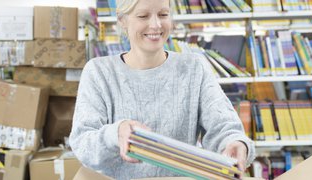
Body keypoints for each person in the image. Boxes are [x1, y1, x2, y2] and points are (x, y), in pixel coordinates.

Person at [69, 0, 255, 179]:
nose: (156, 25)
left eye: (163, 14)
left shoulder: (194, 67)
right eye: (143, 16)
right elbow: (83, 144)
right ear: (122, 20)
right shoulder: (98, 72)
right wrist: (116, 134)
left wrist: (235, 143)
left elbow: (224, 126)